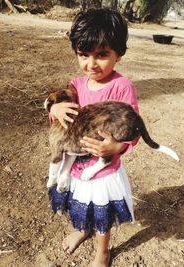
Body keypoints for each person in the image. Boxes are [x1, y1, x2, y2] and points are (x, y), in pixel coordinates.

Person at [48, 7, 139, 267]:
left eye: (101, 55)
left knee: (101, 213)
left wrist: (116, 147)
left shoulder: (122, 87)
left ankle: (102, 250)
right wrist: (52, 108)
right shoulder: (76, 85)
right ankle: (82, 229)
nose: (91, 64)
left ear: (118, 54)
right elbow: (56, 105)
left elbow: (132, 130)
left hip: (103, 170)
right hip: (76, 164)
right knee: (79, 205)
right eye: (83, 54)